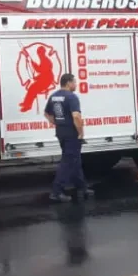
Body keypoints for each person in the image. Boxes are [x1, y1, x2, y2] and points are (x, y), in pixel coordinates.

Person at [44, 73, 94, 202]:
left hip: (61, 131)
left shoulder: (54, 96)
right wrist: (81, 132)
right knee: (67, 162)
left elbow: (47, 113)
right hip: (72, 133)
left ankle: (81, 187)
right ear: (68, 83)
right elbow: (76, 116)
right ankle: (56, 192)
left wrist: (57, 123)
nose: (75, 85)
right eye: (74, 82)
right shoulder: (72, 97)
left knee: (75, 160)